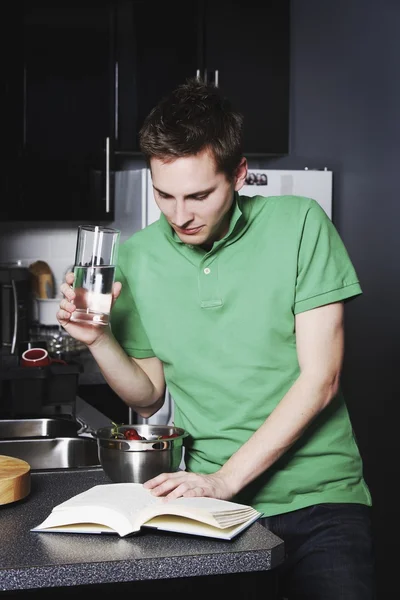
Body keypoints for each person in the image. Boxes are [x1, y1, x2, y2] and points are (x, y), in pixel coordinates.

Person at [57, 78, 376, 599]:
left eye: (200, 195)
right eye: (164, 195)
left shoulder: (300, 224)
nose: (180, 215)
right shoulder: (138, 256)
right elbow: (148, 393)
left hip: (321, 499)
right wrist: (98, 340)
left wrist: (226, 479)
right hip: (206, 504)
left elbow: (322, 380)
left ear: (240, 174)